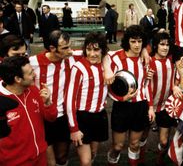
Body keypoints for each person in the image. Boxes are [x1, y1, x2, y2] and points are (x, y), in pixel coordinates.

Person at [29, 30, 81, 166]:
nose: (69, 51)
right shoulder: (32, 62)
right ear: (52, 48)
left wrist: (146, 52)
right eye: (65, 48)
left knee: (62, 157)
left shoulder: (72, 58)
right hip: (41, 117)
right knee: (49, 161)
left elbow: (102, 52)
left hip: (62, 116)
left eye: (70, 46)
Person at [107, 25, 155, 166]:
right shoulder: (115, 58)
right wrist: (121, 98)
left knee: (135, 144)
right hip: (121, 107)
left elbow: (147, 86)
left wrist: (150, 106)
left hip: (140, 106)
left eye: (140, 42)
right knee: (117, 147)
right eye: (133, 41)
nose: (137, 45)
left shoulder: (145, 60)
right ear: (127, 41)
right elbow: (108, 87)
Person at [0, 56, 57, 166]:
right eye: (31, 73)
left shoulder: (34, 90)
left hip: (40, 157)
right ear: (18, 79)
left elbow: (51, 118)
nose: (35, 75)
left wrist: (48, 103)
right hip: (14, 162)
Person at [66, 32, 109, 165]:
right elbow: (70, 100)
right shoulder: (78, 68)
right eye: (89, 49)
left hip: (99, 116)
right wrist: (74, 129)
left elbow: (119, 52)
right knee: (85, 162)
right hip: (82, 118)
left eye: (96, 50)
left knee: (93, 153)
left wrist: (144, 51)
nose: (92, 54)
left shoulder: (106, 63)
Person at [138, 32, 175, 165]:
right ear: (156, 46)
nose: (165, 47)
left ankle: (159, 162)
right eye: (162, 44)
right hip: (149, 107)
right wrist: (149, 107)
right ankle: (141, 160)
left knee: (164, 141)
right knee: (142, 136)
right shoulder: (149, 61)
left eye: (167, 45)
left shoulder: (172, 61)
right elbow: (144, 85)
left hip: (165, 106)